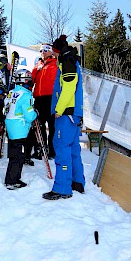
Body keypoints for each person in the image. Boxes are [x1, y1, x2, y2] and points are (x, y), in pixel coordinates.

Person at [42, 35, 84, 201]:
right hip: (73, 114)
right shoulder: (70, 60)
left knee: (62, 149)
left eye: (54, 51)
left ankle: (62, 188)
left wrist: (59, 109)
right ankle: (77, 182)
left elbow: (68, 88)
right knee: (73, 148)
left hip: (66, 114)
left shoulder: (67, 62)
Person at [4, 69, 37, 190]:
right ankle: (12, 180)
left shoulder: (11, 92)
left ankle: (11, 178)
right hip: (20, 128)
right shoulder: (26, 95)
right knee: (19, 156)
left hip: (10, 125)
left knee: (14, 154)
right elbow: (29, 115)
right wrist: (35, 114)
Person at [27, 43, 58, 163]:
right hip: (39, 99)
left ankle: (52, 151)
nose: (43, 52)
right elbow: (31, 80)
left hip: (51, 98)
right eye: (41, 50)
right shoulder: (38, 65)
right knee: (39, 125)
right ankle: (40, 149)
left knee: (52, 125)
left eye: (46, 50)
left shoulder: (56, 64)